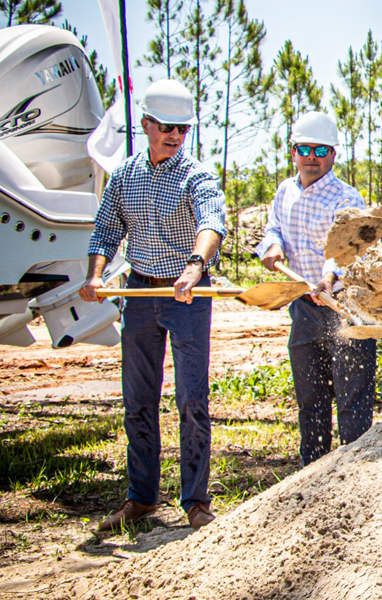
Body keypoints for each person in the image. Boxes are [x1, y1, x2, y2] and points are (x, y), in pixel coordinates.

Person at [79, 79, 226, 531]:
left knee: (191, 399)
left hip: (187, 297)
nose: (176, 137)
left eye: (183, 129)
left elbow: (212, 222)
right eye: (166, 127)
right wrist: (95, 274)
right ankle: (140, 497)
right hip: (141, 295)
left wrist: (195, 267)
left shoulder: (196, 175)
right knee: (138, 400)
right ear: (145, 124)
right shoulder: (125, 175)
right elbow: (105, 229)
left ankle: (195, 502)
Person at [257, 111, 376, 466]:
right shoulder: (285, 192)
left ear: (333, 154)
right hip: (304, 308)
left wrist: (329, 278)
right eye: (304, 148)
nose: (311, 156)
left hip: (345, 308)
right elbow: (272, 228)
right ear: (293, 151)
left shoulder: (346, 196)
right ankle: (313, 470)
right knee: (310, 396)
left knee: (351, 395)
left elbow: (345, 248)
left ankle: (355, 471)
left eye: (320, 150)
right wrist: (272, 247)